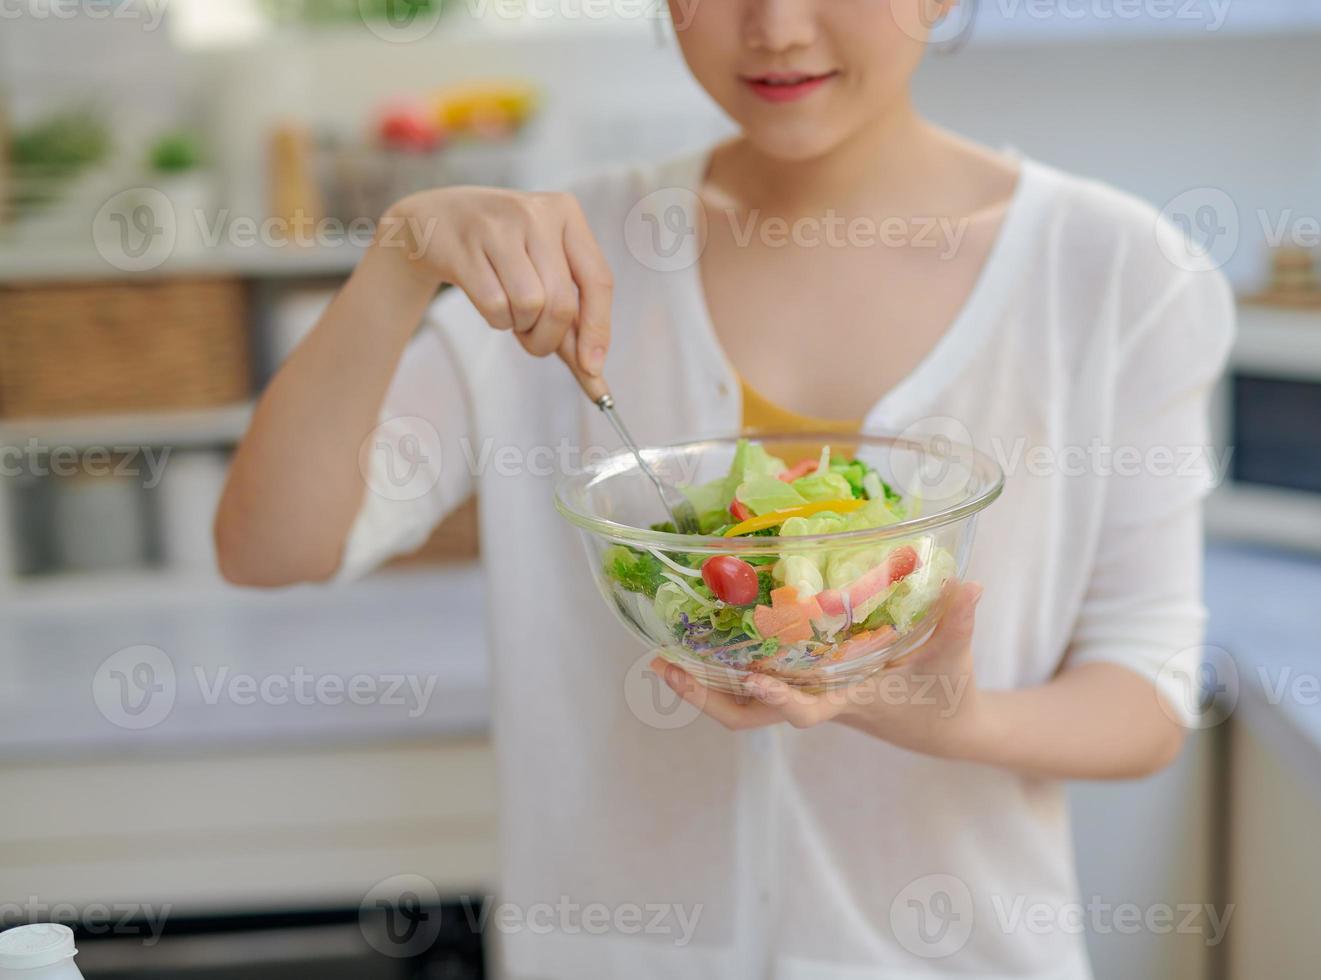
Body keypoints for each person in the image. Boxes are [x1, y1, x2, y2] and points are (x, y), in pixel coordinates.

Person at [215, 0, 1234, 975]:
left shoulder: (1118, 272)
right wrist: (397, 262)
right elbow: (270, 546)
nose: (777, 27)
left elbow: (1145, 690)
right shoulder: (567, 257)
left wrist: (957, 720)